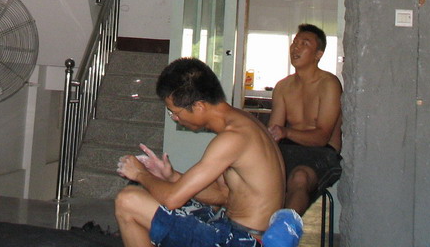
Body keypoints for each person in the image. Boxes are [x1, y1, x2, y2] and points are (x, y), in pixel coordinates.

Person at [114, 57, 300, 247]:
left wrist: (140, 174)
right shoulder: (243, 122)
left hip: (244, 241)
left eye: (175, 112)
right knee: (153, 194)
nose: (175, 118)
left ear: (199, 106)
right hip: (235, 229)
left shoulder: (233, 137)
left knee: (128, 200)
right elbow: (223, 195)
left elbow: (171, 200)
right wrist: (170, 176)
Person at [267, 24, 343, 216]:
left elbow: (321, 137)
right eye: (295, 43)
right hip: (288, 149)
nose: (296, 47)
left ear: (318, 54)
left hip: (321, 152)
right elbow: (273, 133)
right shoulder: (283, 86)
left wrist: (285, 132)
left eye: (304, 44)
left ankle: (284, 230)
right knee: (243, 169)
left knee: (299, 178)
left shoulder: (329, 84)